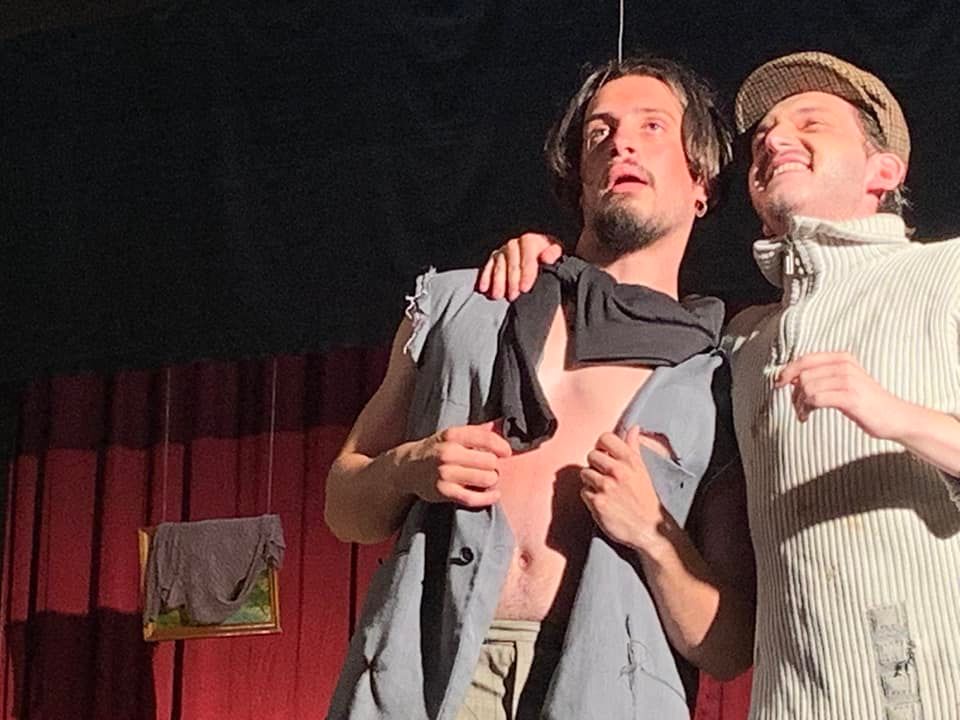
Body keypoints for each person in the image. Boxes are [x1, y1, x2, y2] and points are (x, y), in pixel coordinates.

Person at [480, 51, 960, 720]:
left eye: (811, 123)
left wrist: (894, 415)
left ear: (884, 170)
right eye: (764, 135)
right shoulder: (741, 344)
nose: (775, 138)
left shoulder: (947, 275)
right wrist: (541, 264)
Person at [323, 55, 755, 720]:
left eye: (652, 126)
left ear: (702, 179)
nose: (621, 143)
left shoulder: (715, 377)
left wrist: (655, 534)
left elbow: (727, 647)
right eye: (599, 132)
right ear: (579, 181)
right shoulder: (464, 304)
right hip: (426, 679)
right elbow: (343, 507)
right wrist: (408, 468)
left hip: (609, 695)